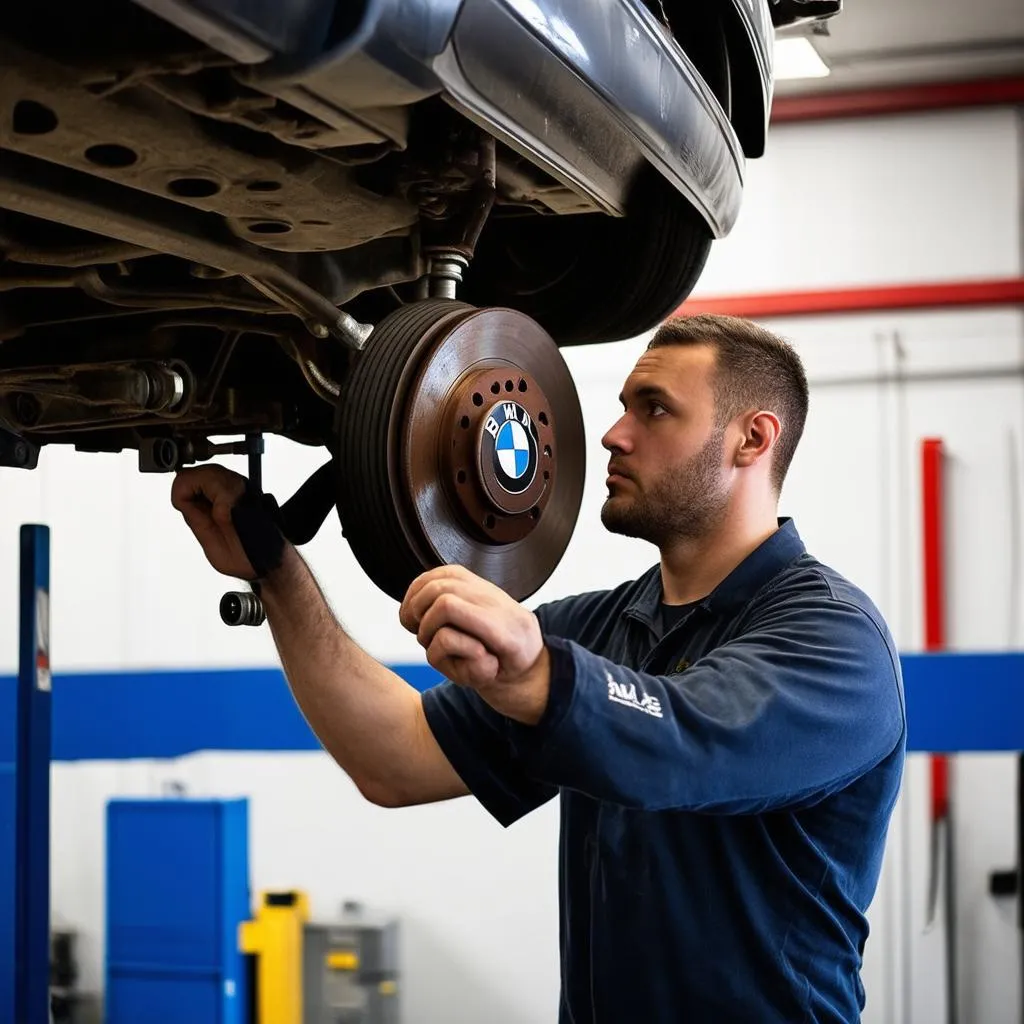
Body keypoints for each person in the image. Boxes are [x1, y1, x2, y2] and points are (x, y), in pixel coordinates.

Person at [172, 313, 906, 1023]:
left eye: (654, 410)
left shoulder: (833, 639)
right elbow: (393, 758)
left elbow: (684, 742)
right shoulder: (597, 628)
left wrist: (538, 678)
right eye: (623, 407)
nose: (615, 435)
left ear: (752, 438)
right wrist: (276, 570)